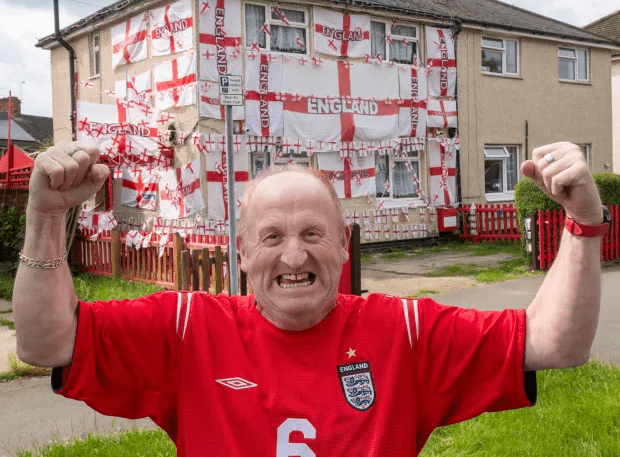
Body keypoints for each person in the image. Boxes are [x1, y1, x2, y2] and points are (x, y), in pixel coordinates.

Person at [13, 140, 605, 456]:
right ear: (241, 254)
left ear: (345, 248)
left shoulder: (405, 331)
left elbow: (555, 341)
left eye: (313, 235)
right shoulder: (187, 328)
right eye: (271, 237)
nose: (294, 257)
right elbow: (47, 342)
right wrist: (43, 214)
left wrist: (582, 223)